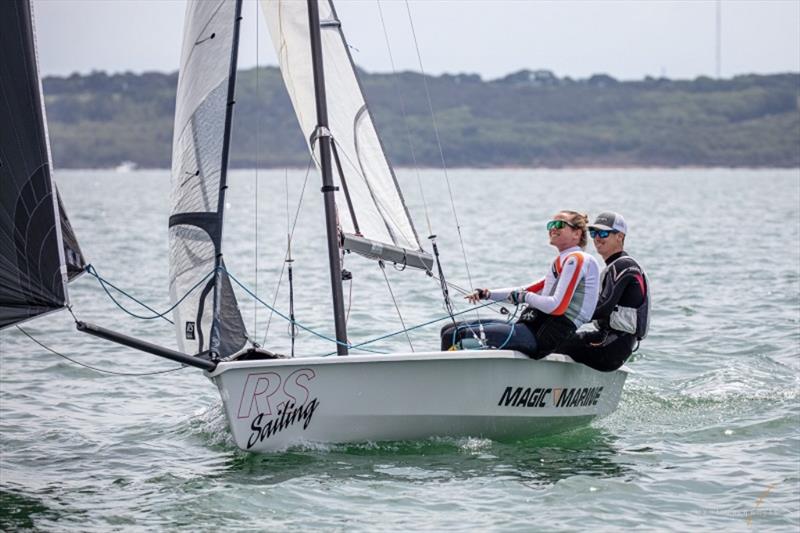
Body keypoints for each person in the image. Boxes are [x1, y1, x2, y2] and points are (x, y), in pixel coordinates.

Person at [440, 210, 601, 358]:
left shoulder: (577, 259)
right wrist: (487, 294)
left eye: (559, 224)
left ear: (576, 233)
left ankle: (447, 383)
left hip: (543, 337)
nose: (552, 228)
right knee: (447, 329)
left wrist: (525, 297)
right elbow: (529, 289)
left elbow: (556, 307)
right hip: (532, 328)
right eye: (550, 225)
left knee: (454, 335)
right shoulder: (564, 261)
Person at [556, 212, 650, 371]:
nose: (597, 238)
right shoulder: (615, 267)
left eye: (604, 233)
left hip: (611, 346)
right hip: (614, 343)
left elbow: (602, 308)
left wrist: (559, 313)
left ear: (620, 236)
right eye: (594, 233)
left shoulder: (623, 267)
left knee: (551, 341)